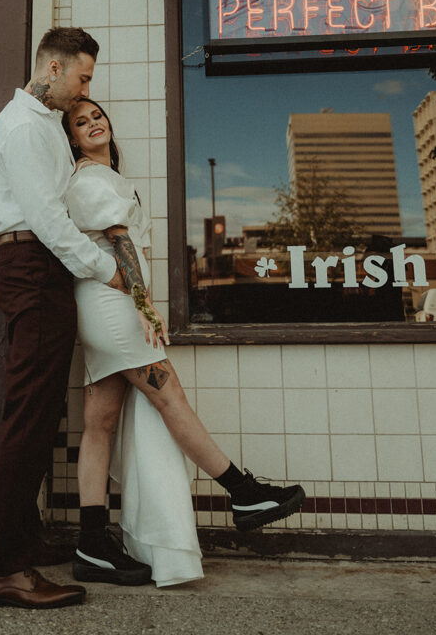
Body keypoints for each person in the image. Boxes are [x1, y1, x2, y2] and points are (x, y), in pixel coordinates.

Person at [63, 98, 306, 588]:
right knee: (169, 396)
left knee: (99, 421)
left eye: (97, 116)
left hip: (108, 307)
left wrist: (142, 302)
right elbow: (122, 243)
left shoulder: (106, 178)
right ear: (71, 139)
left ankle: (91, 542)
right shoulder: (91, 179)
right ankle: (243, 491)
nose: (93, 124)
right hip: (115, 309)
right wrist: (146, 307)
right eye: (80, 122)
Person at [0, 28, 129, 611]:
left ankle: (14, 558)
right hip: (32, 268)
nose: (85, 89)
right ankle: (0, 571)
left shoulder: (40, 127)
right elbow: (46, 218)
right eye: (82, 78)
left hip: (40, 272)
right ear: (54, 66)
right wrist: (103, 269)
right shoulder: (22, 126)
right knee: (28, 421)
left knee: (36, 421)